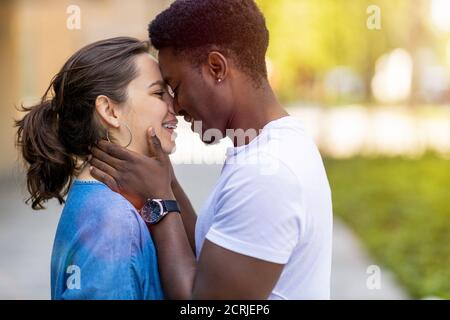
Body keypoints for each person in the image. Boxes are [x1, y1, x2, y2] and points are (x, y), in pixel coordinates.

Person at [91, 0, 333, 300]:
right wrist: (169, 183)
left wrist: (160, 201)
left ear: (216, 67)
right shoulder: (268, 148)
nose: (175, 108)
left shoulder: (268, 173)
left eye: (175, 87)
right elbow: (210, 254)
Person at [15, 37, 178, 299]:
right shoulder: (113, 221)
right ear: (109, 111)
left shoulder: (111, 202)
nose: (175, 107)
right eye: (159, 93)